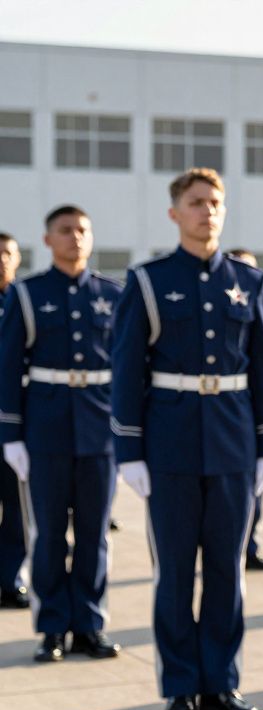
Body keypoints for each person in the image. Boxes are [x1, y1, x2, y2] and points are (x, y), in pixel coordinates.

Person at [111, 168, 263, 710]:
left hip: (232, 443)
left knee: (229, 574)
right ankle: (181, 687)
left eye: (214, 202)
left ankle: (221, 684)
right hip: (170, 446)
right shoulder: (148, 280)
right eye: (195, 202)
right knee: (176, 573)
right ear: (174, 213)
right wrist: (129, 451)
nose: (207, 211)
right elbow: (127, 369)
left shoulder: (250, 282)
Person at [0, 207, 123, 662]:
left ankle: (89, 623)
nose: (75, 238)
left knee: (94, 534)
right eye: (65, 231)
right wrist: (11, 435)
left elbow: (129, 368)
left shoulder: (113, 294)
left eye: (82, 230)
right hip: (44, 431)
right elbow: (8, 367)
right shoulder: (29, 294)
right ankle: (51, 626)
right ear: (47, 239)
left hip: (99, 430)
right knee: (49, 534)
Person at [224, 248, 263, 573]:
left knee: (252, 501)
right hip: (221, 418)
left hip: (244, 421)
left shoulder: (256, 293)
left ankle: (250, 545)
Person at [0, 232, 29, 609]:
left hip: (15, 426)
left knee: (19, 511)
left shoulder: (26, 303)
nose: (1, 259)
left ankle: (9, 580)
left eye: (7, 253)